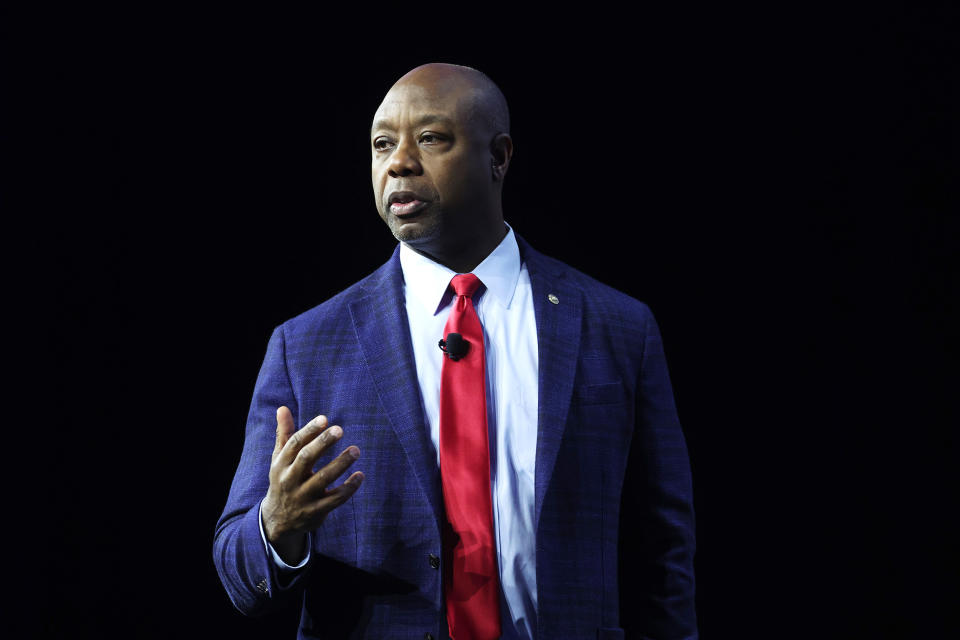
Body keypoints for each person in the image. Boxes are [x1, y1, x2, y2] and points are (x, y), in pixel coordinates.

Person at [214, 63, 697, 640]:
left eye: (431, 138)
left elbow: (664, 551)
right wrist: (278, 526)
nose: (399, 163)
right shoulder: (307, 345)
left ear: (499, 157)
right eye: (382, 144)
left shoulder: (618, 327)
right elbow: (240, 575)